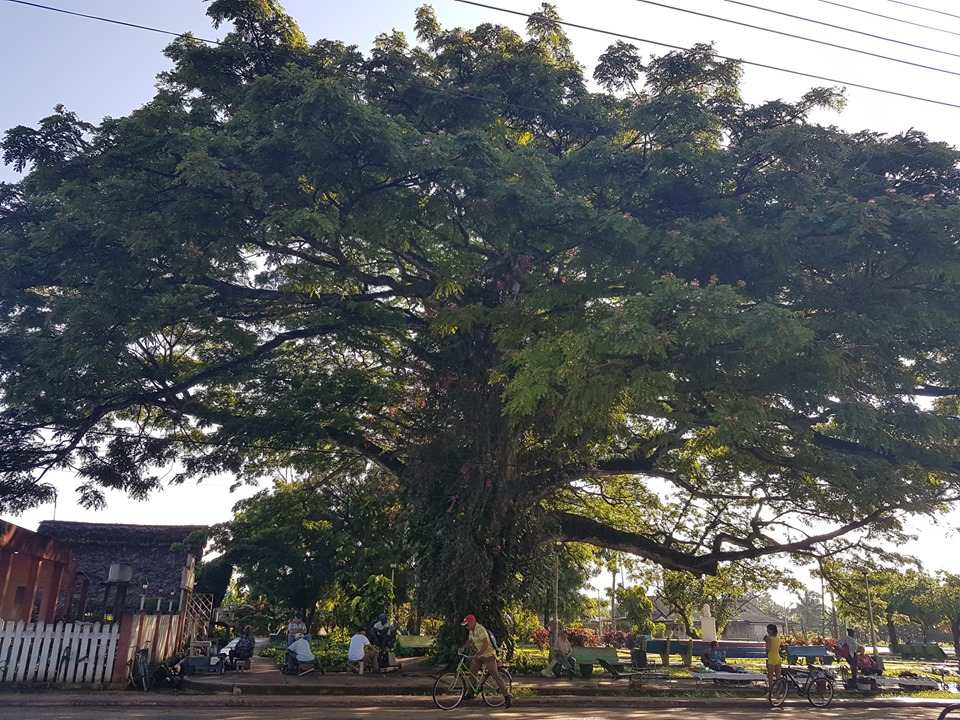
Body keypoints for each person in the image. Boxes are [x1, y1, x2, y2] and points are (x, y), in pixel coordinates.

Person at [460, 614, 512, 708]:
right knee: (472, 671)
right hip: (479, 655)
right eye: (465, 625)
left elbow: (485, 643)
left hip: (488, 655)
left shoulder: (480, 629)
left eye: (467, 624)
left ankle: (507, 697)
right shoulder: (472, 631)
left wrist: (478, 654)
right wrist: (463, 647)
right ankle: (471, 693)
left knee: (495, 675)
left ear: (473, 622)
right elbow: (470, 641)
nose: (466, 627)